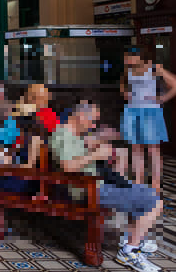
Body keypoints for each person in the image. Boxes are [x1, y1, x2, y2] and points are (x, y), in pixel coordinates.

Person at [51, 101, 163, 272]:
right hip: (87, 191)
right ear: (81, 117)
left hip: (96, 185)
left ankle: (133, 240)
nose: (93, 125)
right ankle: (129, 252)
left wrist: (96, 149)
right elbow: (67, 167)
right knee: (154, 201)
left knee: (145, 193)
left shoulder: (73, 135)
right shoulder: (62, 135)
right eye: (93, 120)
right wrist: (95, 154)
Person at [121, 46, 176, 191]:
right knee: (136, 148)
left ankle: (156, 183)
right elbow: (123, 86)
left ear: (140, 56)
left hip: (151, 112)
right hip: (132, 111)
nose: (127, 60)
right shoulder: (129, 70)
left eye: (130, 57)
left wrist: (163, 98)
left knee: (153, 149)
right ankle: (138, 181)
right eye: (126, 57)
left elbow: (174, 84)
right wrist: (125, 93)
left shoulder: (154, 68)